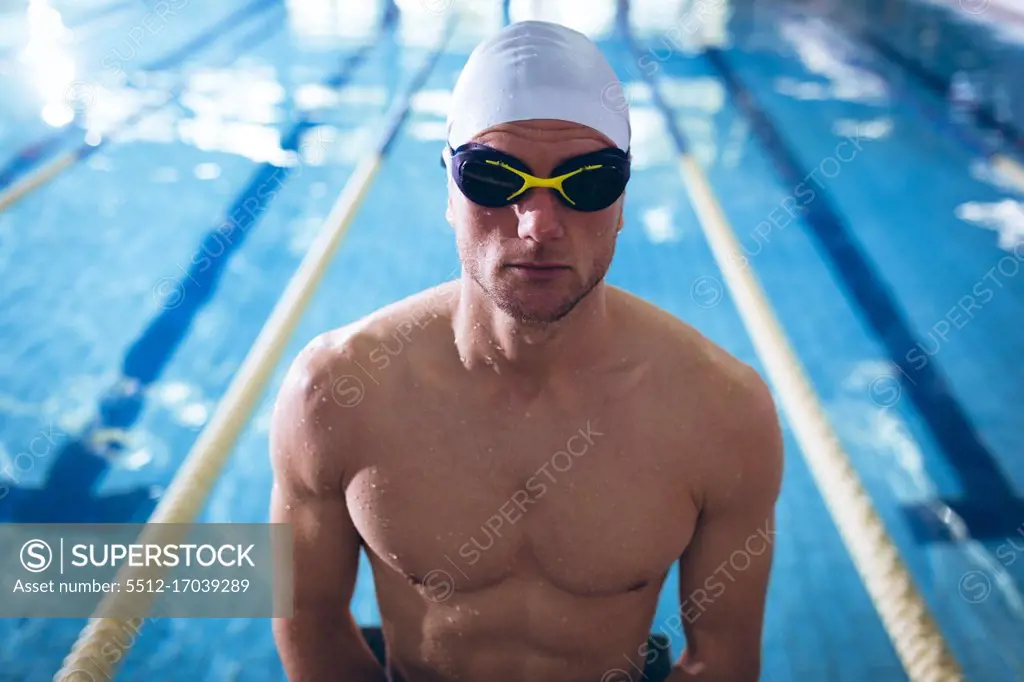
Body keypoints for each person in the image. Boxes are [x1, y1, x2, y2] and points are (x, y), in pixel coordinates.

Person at [269, 19, 783, 682]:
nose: (538, 225)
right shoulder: (332, 390)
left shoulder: (724, 412)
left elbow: (722, 659)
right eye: (492, 176)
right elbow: (304, 618)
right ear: (449, 188)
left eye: (587, 181)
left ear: (623, 198)